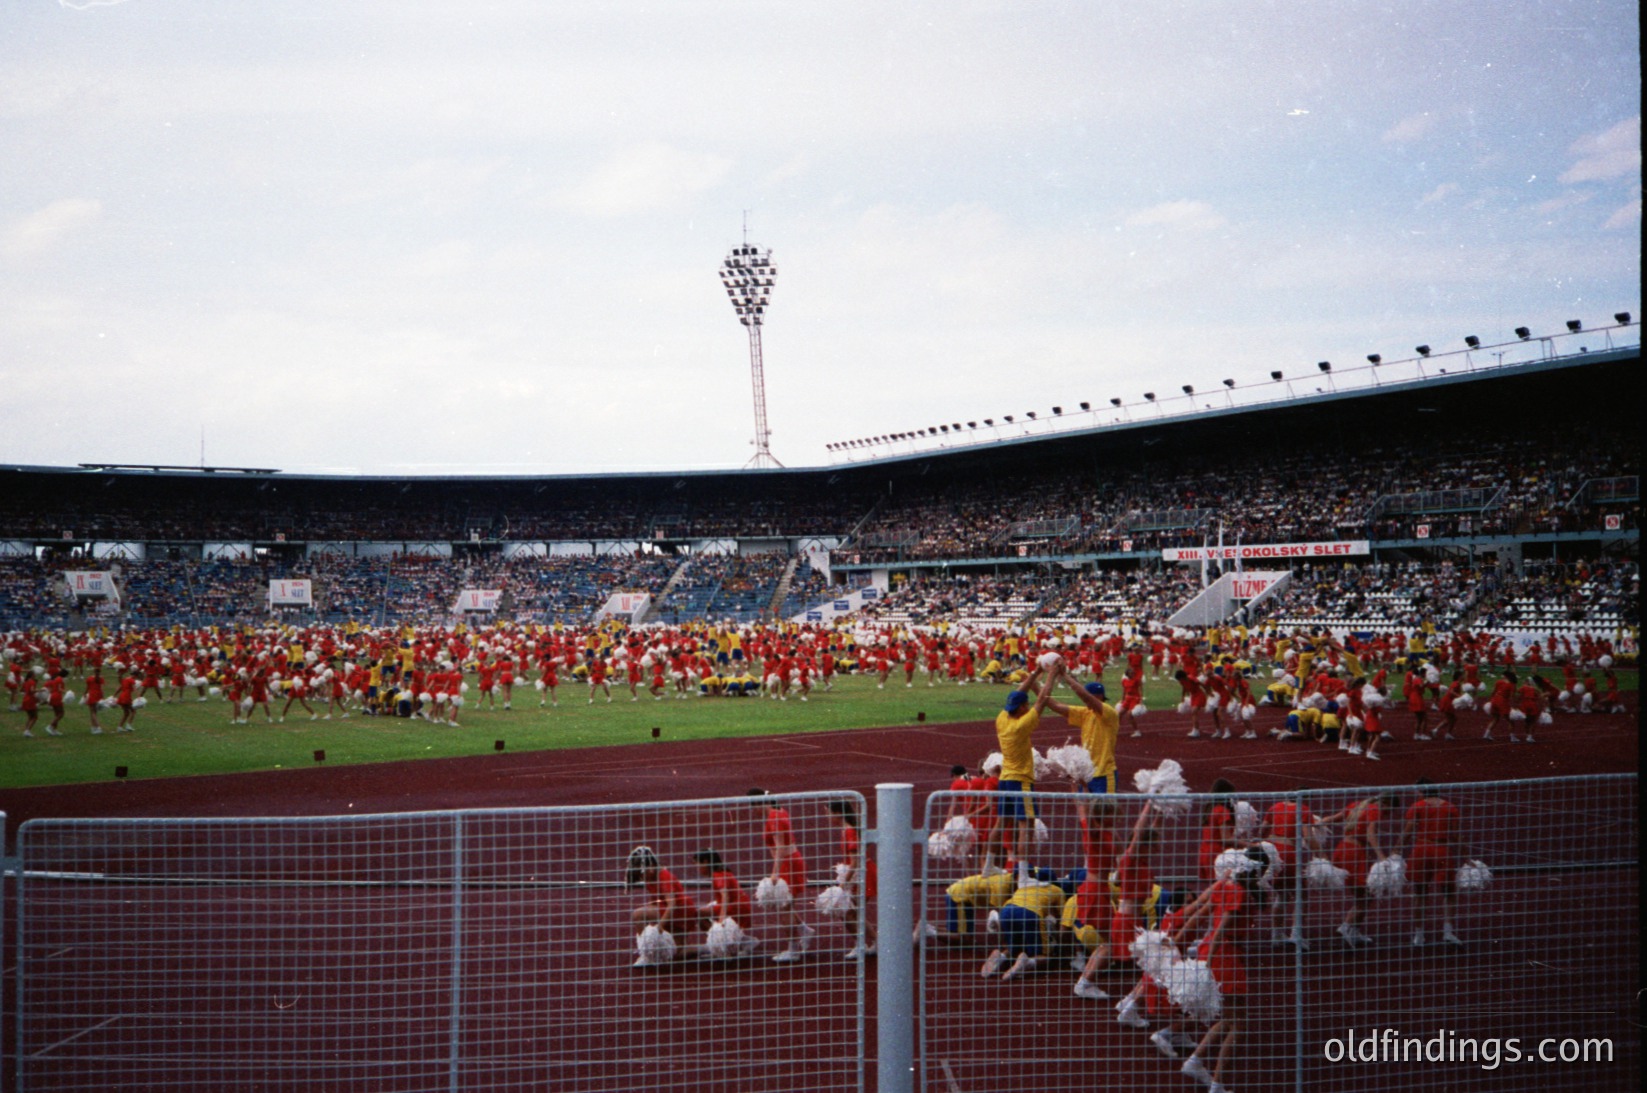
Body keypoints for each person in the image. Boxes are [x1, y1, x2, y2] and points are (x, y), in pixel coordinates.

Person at [1173, 847, 1268, 1093]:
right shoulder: (1236, 891)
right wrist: (1207, 964)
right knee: (1238, 1023)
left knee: (1230, 1018)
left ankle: (1195, 1061)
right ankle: (1216, 1082)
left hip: (1224, 954)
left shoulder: (1228, 886)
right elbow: (1221, 929)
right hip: (1223, 955)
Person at [992, 661, 1061, 888]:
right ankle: (1023, 877)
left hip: (1005, 780)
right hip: (1021, 781)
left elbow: (1018, 694)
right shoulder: (1022, 725)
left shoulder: (1002, 720)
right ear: (1021, 708)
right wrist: (1049, 673)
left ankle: (988, 866)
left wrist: (1036, 672)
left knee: (1002, 823)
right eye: (1026, 704)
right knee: (1026, 826)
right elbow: (1042, 700)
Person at [1321, 792, 1397, 946]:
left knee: (1363, 894)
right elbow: (1370, 834)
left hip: (1343, 848)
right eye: (1389, 811)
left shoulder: (1356, 806)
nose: (1388, 815)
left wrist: (1316, 822)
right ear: (1386, 804)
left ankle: (1354, 930)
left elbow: (1331, 819)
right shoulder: (1375, 810)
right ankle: (1346, 927)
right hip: (1355, 852)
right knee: (1366, 896)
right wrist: (1381, 856)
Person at [751, 788, 815, 963]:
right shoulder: (780, 812)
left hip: (788, 863)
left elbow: (780, 847)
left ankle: (793, 949)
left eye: (753, 806)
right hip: (791, 861)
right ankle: (804, 931)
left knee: (783, 908)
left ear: (760, 803)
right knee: (786, 906)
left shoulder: (774, 818)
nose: (753, 811)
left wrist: (775, 873)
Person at [1401, 777, 1463, 946]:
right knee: (1449, 893)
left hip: (1422, 850)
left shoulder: (1417, 807)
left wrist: (1396, 850)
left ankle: (1419, 935)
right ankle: (1448, 932)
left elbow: (1407, 832)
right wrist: (1466, 856)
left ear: (1421, 792)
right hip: (1442, 850)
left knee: (1420, 893)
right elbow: (1456, 835)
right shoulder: (1450, 807)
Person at [625, 845, 705, 964]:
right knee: (676, 953)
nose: (642, 877)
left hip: (680, 911)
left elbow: (672, 904)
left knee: (638, 915)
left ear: (651, 866)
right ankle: (705, 949)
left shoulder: (664, 876)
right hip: (675, 912)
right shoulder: (650, 877)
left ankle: (645, 954)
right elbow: (655, 900)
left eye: (643, 873)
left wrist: (660, 926)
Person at [1048, 675, 1120, 794]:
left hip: (1104, 775)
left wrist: (1065, 676)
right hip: (1086, 775)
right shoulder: (1086, 713)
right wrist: (1033, 684)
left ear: (1099, 697)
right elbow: (1054, 706)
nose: (1084, 700)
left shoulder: (1109, 713)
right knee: (1085, 810)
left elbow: (1085, 697)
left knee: (1105, 811)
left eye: (1088, 696)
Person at [829, 799, 878, 958]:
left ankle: (862, 944)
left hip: (861, 874)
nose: (828, 817)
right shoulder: (850, 829)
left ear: (838, 814)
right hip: (862, 872)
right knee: (854, 912)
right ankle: (875, 942)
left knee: (848, 912)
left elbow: (855, 860)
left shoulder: (849, 831)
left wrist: (844, 883)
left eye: (829, 813)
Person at [692, 848, 759, 958]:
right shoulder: (721, 872)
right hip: (740, 905)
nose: (697, 868)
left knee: (699, 914)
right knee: (708, 908)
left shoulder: (718, 875)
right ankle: (744, 941)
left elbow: (725, 897)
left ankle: (718, 944)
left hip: (736, 908)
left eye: (697, 864)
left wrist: (721, 921)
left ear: (705, 862)